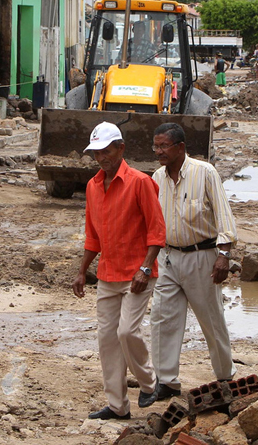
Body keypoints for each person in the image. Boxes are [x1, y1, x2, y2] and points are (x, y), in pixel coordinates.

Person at [72, 122, 166, 420]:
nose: (101, 158)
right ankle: (117, 406)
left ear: (121, 148)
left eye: (106, 151)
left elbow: (157, 231)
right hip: (107, 275)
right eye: (96, 153)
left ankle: (150, 383)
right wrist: (81, 271)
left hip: (138, 274)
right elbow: (92, 236)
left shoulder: (141, 182)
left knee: (127, 331)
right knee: (107, 339)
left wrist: (145, 267)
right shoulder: (92, 186)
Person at [150, 123, 238, 400]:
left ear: (180, 148)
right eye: (156, 146)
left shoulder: (205, 173)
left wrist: (224, 256)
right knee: (162, 317)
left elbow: (224, 217)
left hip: (202, 257)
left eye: (164, 146)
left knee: (211, 321)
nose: (159, 152)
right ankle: (166, 382)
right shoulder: (156, 178)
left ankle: (225, 376)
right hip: (168, 258)